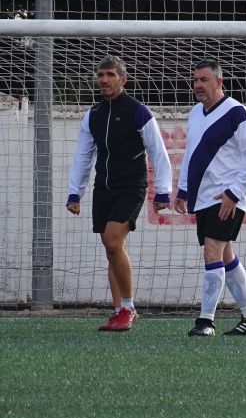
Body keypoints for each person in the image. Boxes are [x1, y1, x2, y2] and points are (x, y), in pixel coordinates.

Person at [67, 55, 172, 331]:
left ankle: (128, 307)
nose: (104, 79)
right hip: (103, 189)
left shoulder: (139, 111)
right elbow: (83, 156)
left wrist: (163, 191)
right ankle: (119, 310)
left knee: (113, 242)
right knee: (111, 249)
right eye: (101, 74)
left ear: (122, 80)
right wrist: (74, 193)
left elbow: (158, 153)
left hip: (131, 188)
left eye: (110, 74)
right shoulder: (93, 115)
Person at [174, 60, 246, 337]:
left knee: (211, 249)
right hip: (203, 197)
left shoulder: (237, 113)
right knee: (225, 256)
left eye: (203, 79)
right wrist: (183, 189)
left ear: (219, 82)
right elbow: (191, 154)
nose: (197, 85)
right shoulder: (195, 113)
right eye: (195, 80)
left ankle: (206, 321)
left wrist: (234, 194)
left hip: (227, 196)